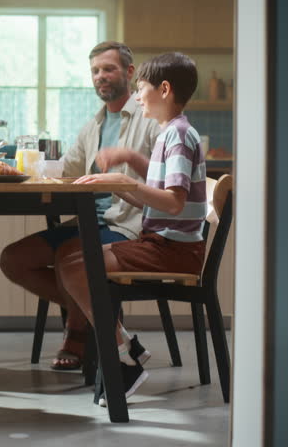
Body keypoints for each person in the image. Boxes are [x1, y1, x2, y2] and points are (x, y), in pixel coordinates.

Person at [0, 41, 160, 370]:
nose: (101, 76)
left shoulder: (149, 120)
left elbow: (167, 179)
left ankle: (77, 335)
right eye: (95, 71)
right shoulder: (95, 124)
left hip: (128, 227)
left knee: (69, 257)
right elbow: (67, 172)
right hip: (88, 222)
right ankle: (91, 315)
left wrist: (130, 160)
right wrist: (18, 168)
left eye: (108, 68)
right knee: (13, 259)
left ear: (129, 72)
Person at [61, 52, 207, 405]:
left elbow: (173, 202)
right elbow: (162, 202)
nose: (138, 96)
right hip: (161, 242)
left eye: (142, 88)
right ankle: (126, 347)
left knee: (78, 267)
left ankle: (124, 358)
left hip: (173, 250)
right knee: (72, 265)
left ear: (165, 89)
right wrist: (121, 179)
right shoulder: (169, 134)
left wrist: (124, 183)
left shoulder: (179, 136)